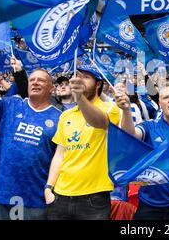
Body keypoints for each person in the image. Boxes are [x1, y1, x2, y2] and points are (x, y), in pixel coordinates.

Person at [0, 52, 62, 220]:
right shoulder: (10, 104)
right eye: (32, 79)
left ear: (51, 88)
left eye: (41, 80)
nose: (35, 82)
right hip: (2, 191)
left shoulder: (60, 117)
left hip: (35, 196)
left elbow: (60, 157)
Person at [115, 84, 169, 220]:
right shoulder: (149, 126)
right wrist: (126, 110)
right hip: (149, 204)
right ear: (160, 103)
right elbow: (130, 135)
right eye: (166, 97)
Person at [44, 65, 121, 220]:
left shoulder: (110, 108)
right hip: (60, 196)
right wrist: (48, 188)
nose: (79, 80)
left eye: (86, 77)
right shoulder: (66, 115)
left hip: (94, 197)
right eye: (78, 76)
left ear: (98, 84)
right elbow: (60, 154)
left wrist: (80, 98)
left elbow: (98, 121)